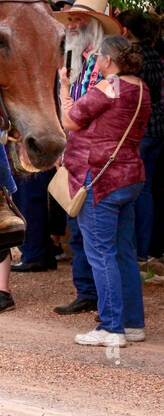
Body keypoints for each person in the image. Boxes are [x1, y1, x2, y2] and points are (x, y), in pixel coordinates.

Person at [59, 35, 150, 347]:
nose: (96, 60)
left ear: (109, 61)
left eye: (99, 56)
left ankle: (111, 327)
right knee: (123, 251)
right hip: (129, 175)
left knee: (101, 253)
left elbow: (69, 121)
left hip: (100, 177)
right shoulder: (140, 87)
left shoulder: (108, 87)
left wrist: (63, 91)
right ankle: (132, 323)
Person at [52, 0, 124, 314]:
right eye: (72, 20)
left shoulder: (102, 66)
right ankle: (88, 293)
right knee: (81, 233)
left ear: (95, 25)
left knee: (96, 239)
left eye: (79, 19)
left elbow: (80, 115)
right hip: (78, 157)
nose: (73, 24)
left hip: (96, 161)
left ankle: (104, 305)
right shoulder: (78, 60)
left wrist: (65, 92)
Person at [119, 11, 162, 263]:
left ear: (124, 30)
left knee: (139, 191)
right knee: (150, 190)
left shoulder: (135, 57)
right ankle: (148, 248)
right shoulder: (154, 52)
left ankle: (140, 250)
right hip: (156, 127)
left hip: (140, 130)